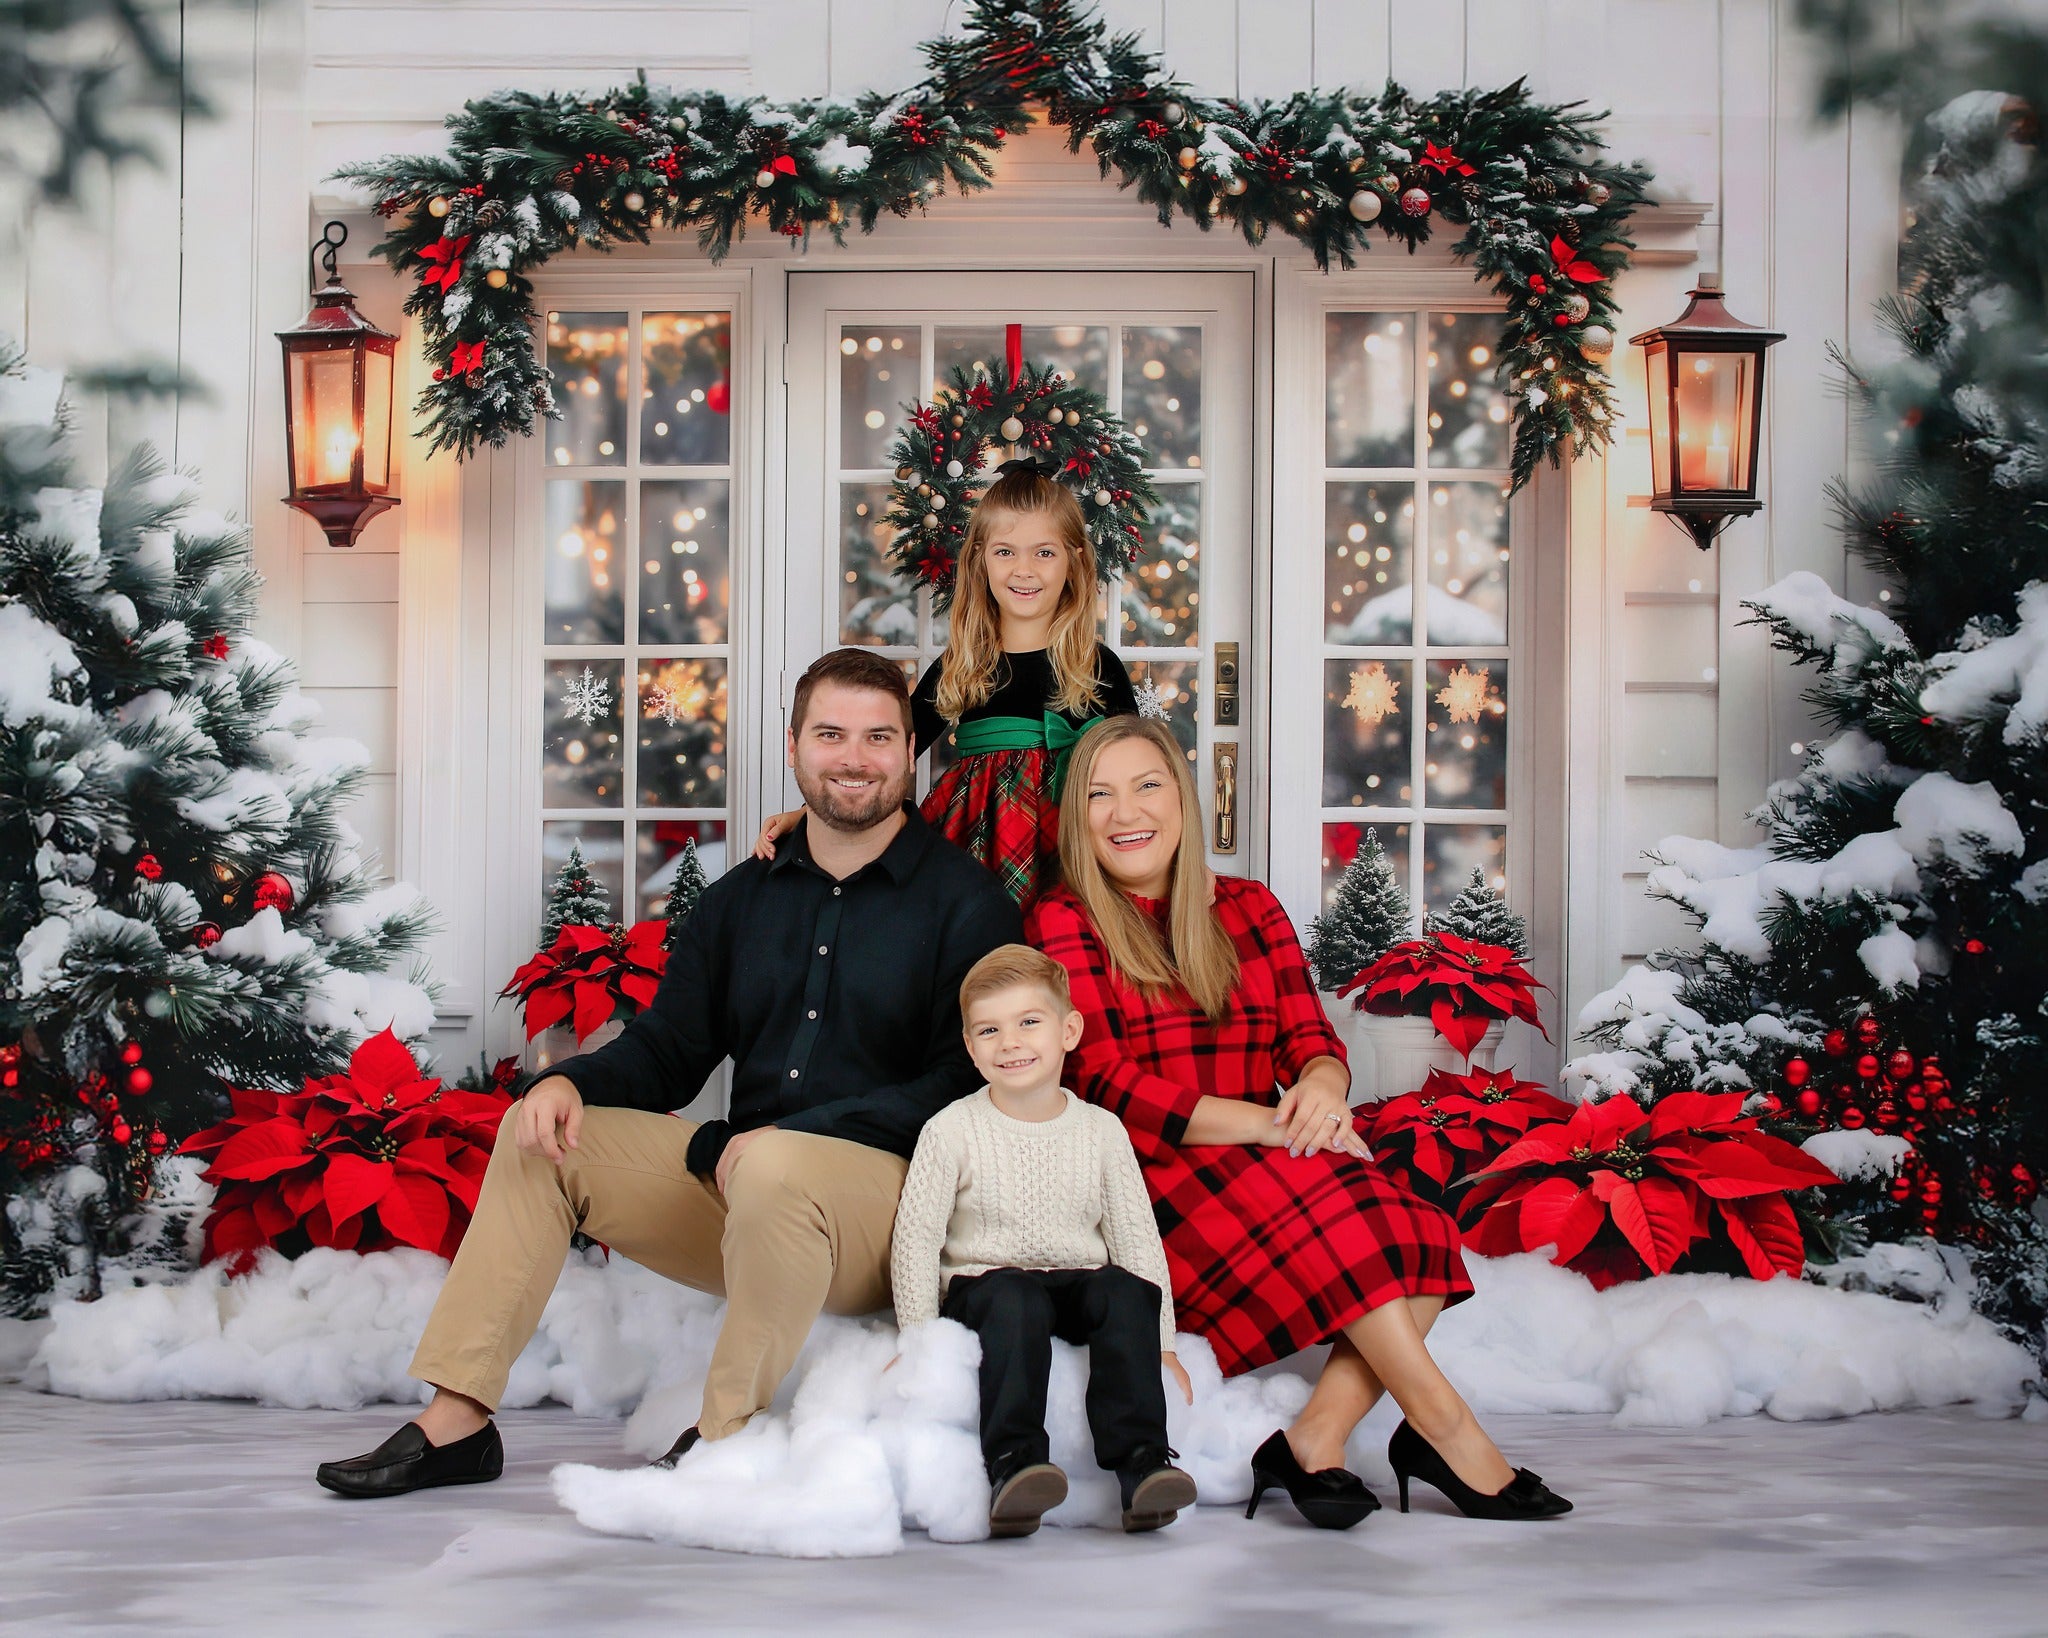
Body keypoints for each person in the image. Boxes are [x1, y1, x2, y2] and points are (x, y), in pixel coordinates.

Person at [315, 649, 1022, 1498]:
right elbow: (670, 1051)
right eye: (831, 733)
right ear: (793, 743)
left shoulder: (967, 902)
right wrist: (567, 1083)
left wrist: (788, 1139)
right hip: (747, 1200)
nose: (855, 758)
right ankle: (458, 1420)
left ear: (912, 751)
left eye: (879, 737)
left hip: (887, 1220)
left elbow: (963, 1087)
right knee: (542, 1134)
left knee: (770, 1162)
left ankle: (726, 1437)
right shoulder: (739, 901)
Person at [1025, 716, 1571, 1527]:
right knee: (1355, 1221)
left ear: (1182, 798)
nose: (1124, 811)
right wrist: (1267, 1126)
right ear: (1078, 817)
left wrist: (1321, 1082)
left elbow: (1307, 1036)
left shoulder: (1249, 907)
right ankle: (1449, 1430)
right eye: (1098, 795)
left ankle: (1313, 1441)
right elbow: (1105, 1083)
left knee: (1420, 1232)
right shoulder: (1063, 920)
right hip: (1154, 1187)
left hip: (1272, 1160)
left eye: (1146, 785)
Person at [890, 944, 1198, 1538]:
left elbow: (1136, 1239)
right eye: (989, 1030)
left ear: (1069, 1031)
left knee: (1125, 1290)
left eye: (1029, 1022)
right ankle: (1016, 1466)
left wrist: (1162, 1346)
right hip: (986, 1286)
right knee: (1015, 1298)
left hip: (1075, 1283)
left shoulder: (1101, 1130)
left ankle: (1143, 1465)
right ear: (971, 1047)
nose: (1010, 1042)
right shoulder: (950, 1128)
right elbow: (917, 1239)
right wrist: (918, 1337)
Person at [755, 461, 1138, 907]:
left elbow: (1146, 774)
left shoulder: (1097, 666)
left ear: (1074, 562)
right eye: (1005, 552)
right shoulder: (963, 664)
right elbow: (890, 755)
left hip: (1073, 839)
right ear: (980, 560)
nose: (1024, 569)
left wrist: (1181, 864)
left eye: (1044, 552)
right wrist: (806, 815)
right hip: (975, 843)